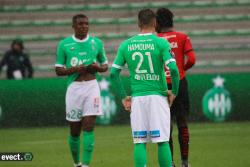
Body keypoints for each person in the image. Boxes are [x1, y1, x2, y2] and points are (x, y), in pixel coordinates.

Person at [110, 9, 180, 167]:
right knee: (162, 141)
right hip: (158, 97)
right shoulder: (161, 43)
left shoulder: (126, 44)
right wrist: (173, 92)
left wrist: (124, 96)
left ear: (138, 23)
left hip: (138, 98)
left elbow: (114, 73)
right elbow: (174, 70)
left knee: (140, 142)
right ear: (155, 23)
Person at [55, 14, 108, 167]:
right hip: (74, 89)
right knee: (75, 131)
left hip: (92, 87)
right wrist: (74, 69)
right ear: (73, 26)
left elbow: (105, 65)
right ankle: (76, 163)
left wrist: (97, 67)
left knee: (89, 127)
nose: (84, 26)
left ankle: (85, 164)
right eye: (80, 24)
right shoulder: (64, 44)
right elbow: (58, 70)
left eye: (86, 24)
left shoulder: (96, 43)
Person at [156, 8, 196, 167]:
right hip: (179, 82)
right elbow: (192, 59)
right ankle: (185, 163)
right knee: (182, 122)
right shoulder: (182, 37)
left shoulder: (155, 39)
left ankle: (170, 163)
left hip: (162, 85)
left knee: (166, 125)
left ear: (157, 22)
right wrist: (182, 69)